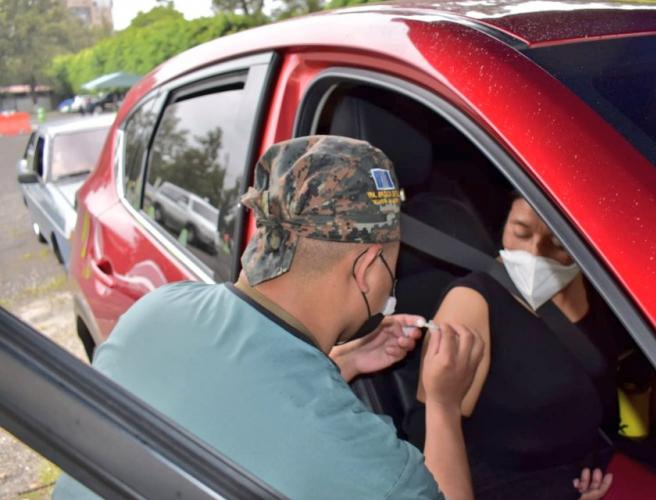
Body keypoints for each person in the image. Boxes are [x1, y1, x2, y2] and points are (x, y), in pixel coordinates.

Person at [53, 136, 485, 499]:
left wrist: (342, 362)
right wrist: (444, 406)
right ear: (366, 268)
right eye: (394, 262)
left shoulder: (154, 310)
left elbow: (232, 404)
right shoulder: (367, 464)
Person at [415, 192, 622, 499]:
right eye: (520, 232)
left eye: (558, 243)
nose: (534, 253)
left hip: (589, 474)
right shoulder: (472, 303)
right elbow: (432, 435)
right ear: (503, 223)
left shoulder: (597, 286)